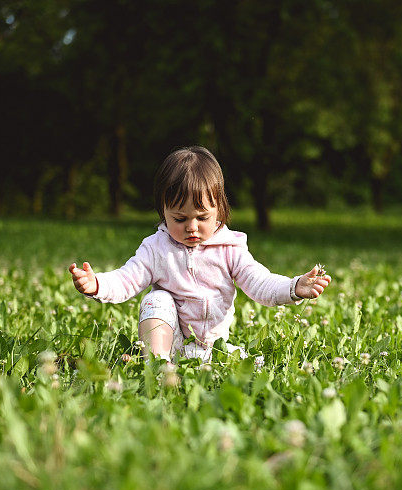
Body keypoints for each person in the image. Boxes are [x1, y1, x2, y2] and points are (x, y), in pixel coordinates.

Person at [69, 146, 331, 362]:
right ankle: (157, 365)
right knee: (157, 299)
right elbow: (127, 278)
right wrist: (97, 284)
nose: (191, 227)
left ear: (219, 208)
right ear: (163, 211)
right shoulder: (156, 248)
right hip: (171, 342)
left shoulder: (230, 248)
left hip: (212, 348)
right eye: (179, 218)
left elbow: (259, 282)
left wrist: (293, 287)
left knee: (242, 366)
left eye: (202, 217)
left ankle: (200, 361)